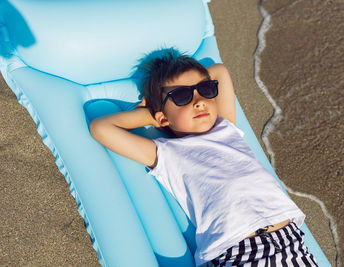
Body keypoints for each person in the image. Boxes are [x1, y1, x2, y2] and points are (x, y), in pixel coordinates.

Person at [90, 49, 318, 267]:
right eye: (181, 96)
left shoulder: (225, 127)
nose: (199, 101)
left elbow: (219, 71)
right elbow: (101, 128)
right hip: (239, 251)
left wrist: (175, 101)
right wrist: (152, 115)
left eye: (205, 89)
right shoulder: (166, 153)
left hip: (292, 243)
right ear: (162, 119)